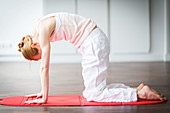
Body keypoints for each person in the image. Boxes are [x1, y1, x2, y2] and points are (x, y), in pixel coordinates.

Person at [18, 12, 167, 104]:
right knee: (92, 92)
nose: (44, 54)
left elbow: (45, 67)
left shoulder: (42, 31)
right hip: (92, 42)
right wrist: (42, 92)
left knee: (95, 94)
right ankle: (137, 90)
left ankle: (138, 94)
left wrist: (44, 96)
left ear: (36, 45)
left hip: (93, 43)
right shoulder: (39, 25)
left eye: (40, 55)